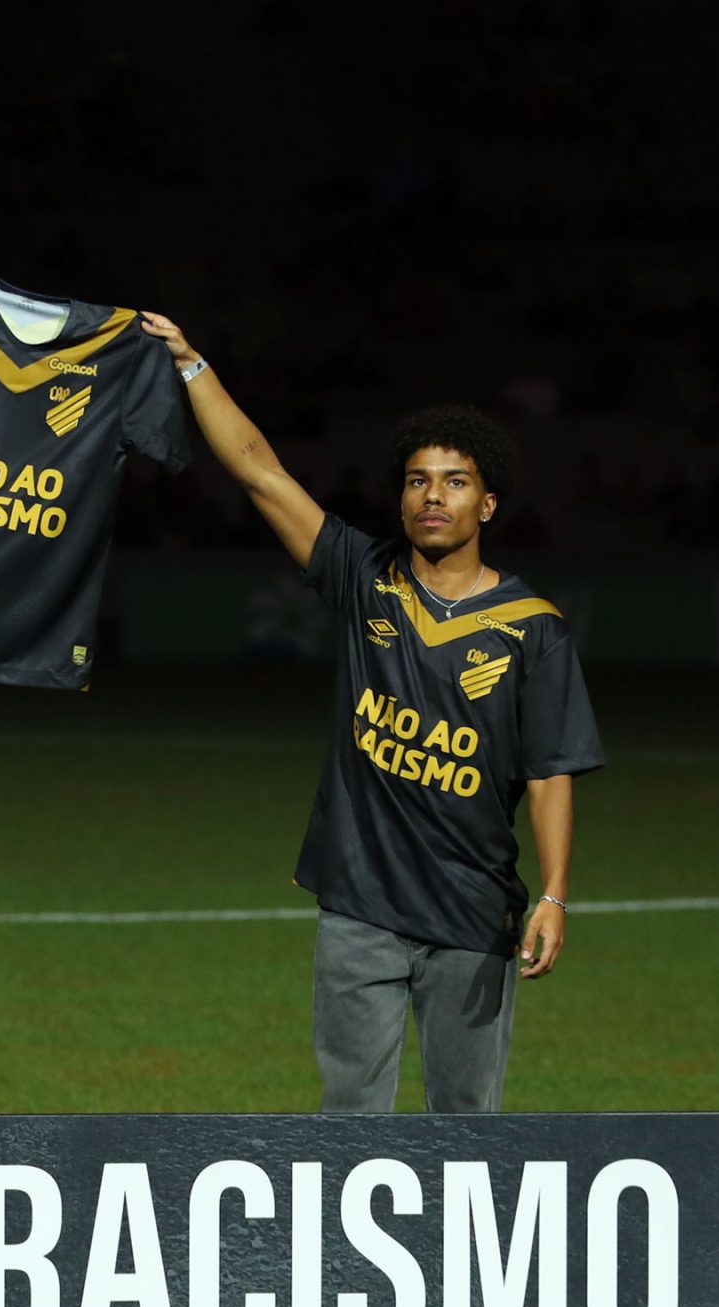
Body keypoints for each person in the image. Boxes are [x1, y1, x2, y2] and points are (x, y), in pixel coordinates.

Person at [138, 311, 605, 1113]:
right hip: (360, 908)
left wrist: (555, 895)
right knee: (350, 1125)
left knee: (468, 1131)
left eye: (455, 482)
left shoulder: (535, 629)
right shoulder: (366, 578)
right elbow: (259, 470)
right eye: (418, 480)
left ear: (487, 505)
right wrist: (188, 363)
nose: (433, 496)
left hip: (471, 912)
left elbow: (550, 769)